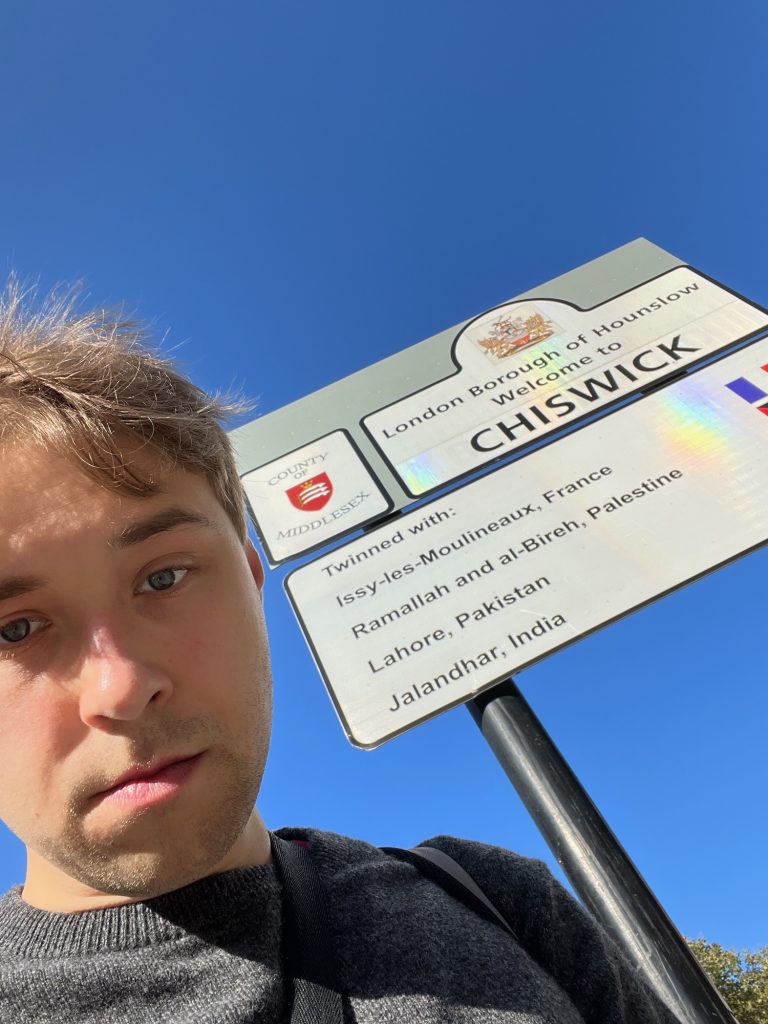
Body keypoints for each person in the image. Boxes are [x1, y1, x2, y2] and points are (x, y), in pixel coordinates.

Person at [0, 282, 680, 1023]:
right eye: (14, 630)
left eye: (164, 576)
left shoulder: (497, 901)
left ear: (254, 586)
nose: (123, 687)